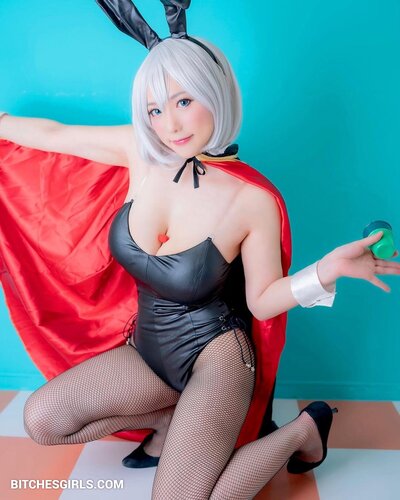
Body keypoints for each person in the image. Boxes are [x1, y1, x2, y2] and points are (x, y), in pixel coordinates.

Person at [1, 1, 399, 498]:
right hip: (148, 352)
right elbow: (54, 136)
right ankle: (170, 418)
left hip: (218, 359)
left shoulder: (252, 200)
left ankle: (305, 429)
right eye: (155, 109)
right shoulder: (139, 153)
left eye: (184, 101)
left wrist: (325, 270)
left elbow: (262, 302)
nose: (170, 124)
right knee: (42, 420)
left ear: (216, 91)